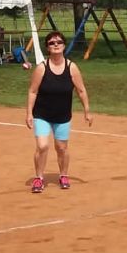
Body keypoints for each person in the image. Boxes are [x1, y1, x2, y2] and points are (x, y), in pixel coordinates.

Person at [25, 31, 93, 192]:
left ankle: (63, 175)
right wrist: (29, 113)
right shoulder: (42, 68)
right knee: (42, 146)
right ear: (47, 47)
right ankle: (39, 178)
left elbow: (81, 90)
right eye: (51, 43)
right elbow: (32, 91)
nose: (56, 45)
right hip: (42, 114)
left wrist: (87, 111)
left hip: (62, 115)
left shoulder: (71, 67)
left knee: (61, 148)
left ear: (64, 45)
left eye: (59, 42)